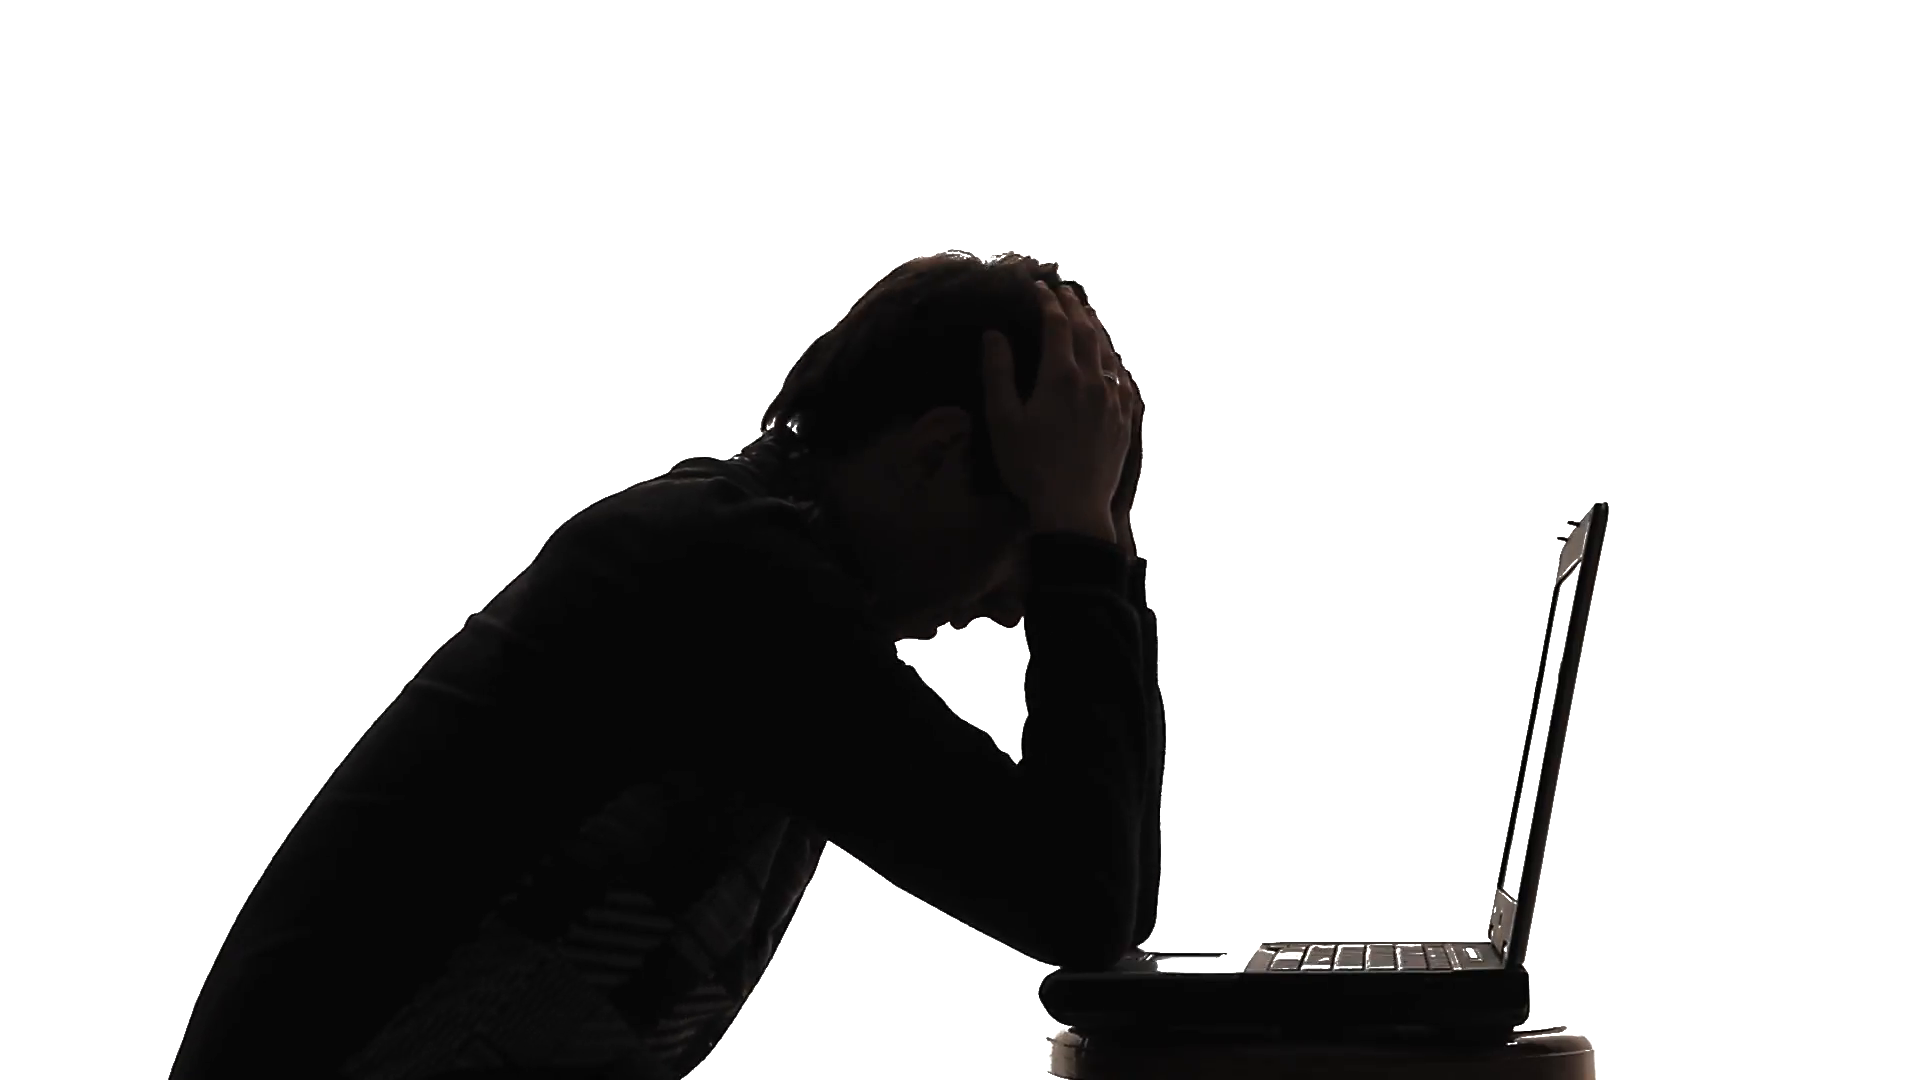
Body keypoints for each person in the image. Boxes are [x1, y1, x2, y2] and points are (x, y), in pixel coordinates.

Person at [167, 251, 1166, 1080]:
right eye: (1028, 546)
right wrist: (1087, 546)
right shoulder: (729, 588)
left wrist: (1099, 552)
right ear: (935, 453)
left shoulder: (743, 564)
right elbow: (1077, 897)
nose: (1009, 609)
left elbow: (1108, 892)